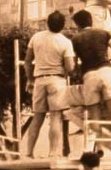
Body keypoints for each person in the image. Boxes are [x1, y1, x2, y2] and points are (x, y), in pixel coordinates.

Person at [21, 10, 76, 158]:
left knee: (37, 117)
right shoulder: (65, 42)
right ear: (63, 26)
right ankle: (53, 153)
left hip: (39, 79)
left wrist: (30, 79)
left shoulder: (36, 37)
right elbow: (70, 68)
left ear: (47, 22)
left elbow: (27, 62)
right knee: (55, 117)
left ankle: (29, 152)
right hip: (57, 80)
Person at [72, 9, 111, 147]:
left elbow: (73, 64)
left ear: (77, 24)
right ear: (90, 20)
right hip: (106, 72)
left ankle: (99, 148)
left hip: (89, 76)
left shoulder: (75, 39)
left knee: (95, 116)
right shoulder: (103, 33)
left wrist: (75, 73)